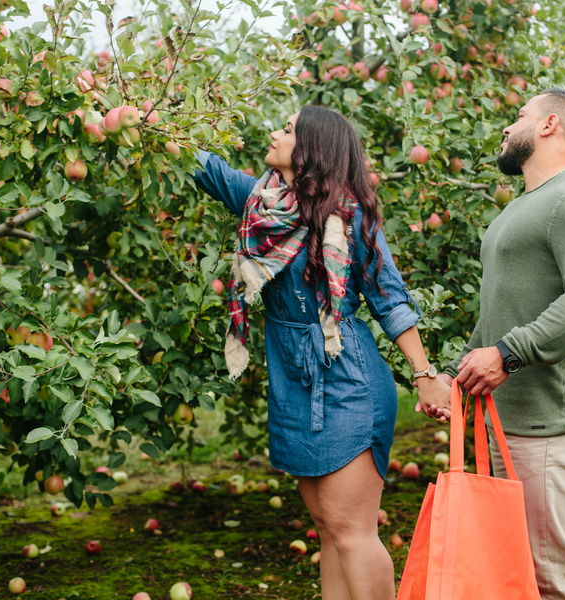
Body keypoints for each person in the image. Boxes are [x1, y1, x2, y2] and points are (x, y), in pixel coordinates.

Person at [191, 105, 452, 600]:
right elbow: (207, 170)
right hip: (295, 380)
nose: (273, 133)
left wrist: (424, 373)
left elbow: (390, 299)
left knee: (352, 532)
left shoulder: (351, 219)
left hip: (347, 378)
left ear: (312, 148)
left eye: (286, 129)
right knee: (328, 527)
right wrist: (146, 125)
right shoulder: (264, 204)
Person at [438, 89, 565, 600]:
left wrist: (508, 354)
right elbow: (500, 313)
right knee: (515, 570)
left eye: (518, 116)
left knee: (550, 577)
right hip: (510, 420)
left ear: (549, 125)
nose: (505, 127)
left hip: (550, 423)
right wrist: (460, 377)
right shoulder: (523, 208)